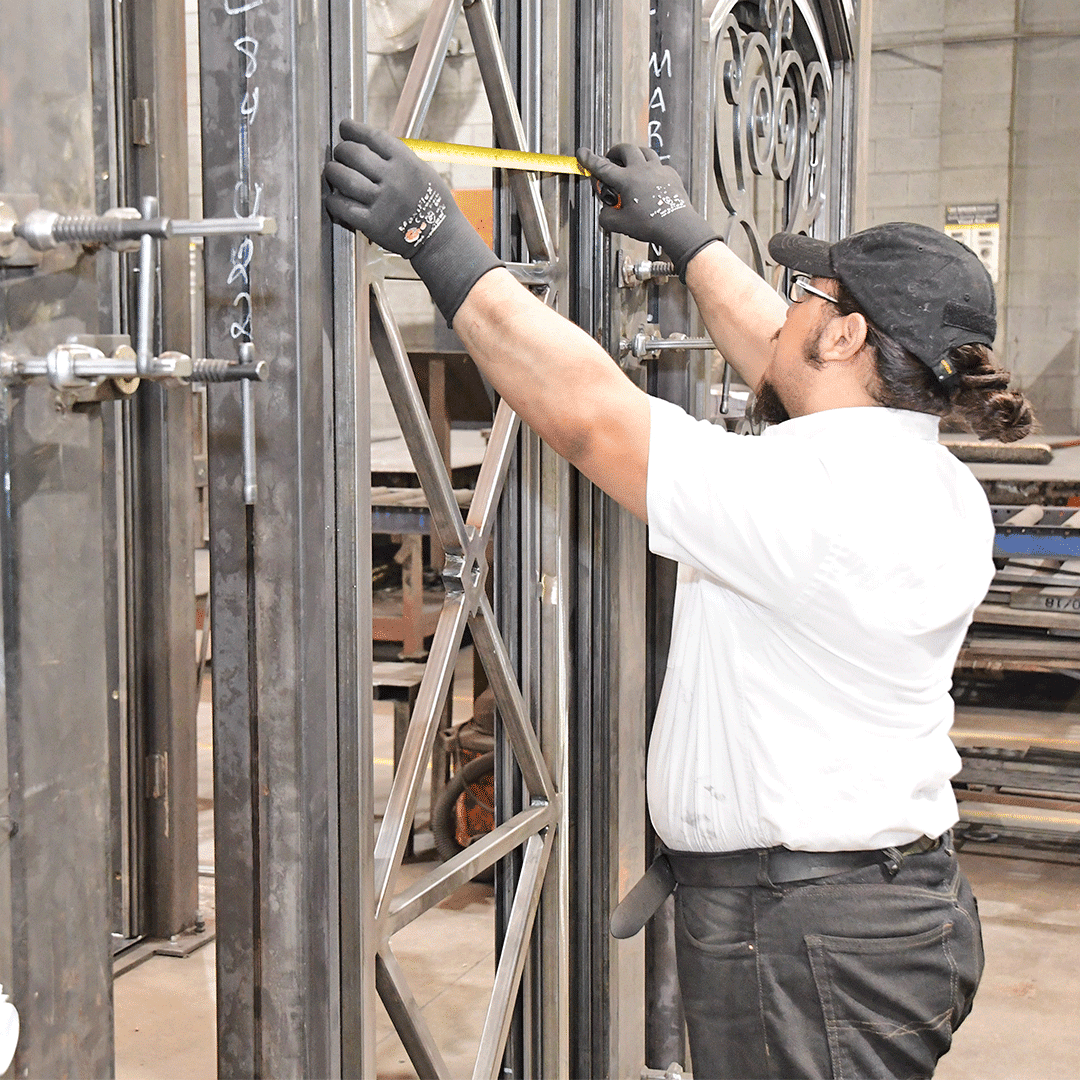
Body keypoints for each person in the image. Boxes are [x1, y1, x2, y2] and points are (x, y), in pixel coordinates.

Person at [324, 122, 1034, 1079]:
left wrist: (438, 237)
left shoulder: (812, 503)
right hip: (864, 915)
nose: (783, 306)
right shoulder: (922, 476)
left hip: (809, 937)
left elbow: (587, 415)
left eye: (807, 296)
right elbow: (789, 360)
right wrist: (688, 238)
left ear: (852, 332)